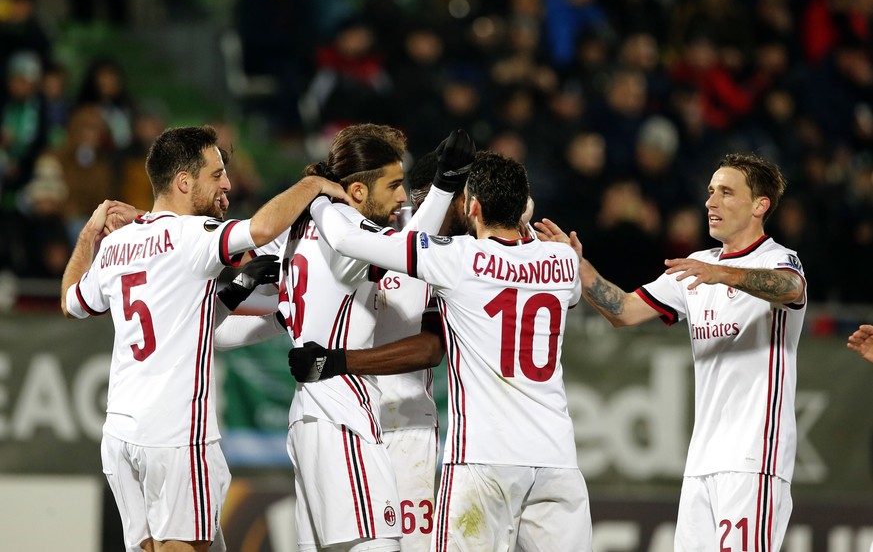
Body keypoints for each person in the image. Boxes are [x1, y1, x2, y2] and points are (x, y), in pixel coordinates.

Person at [60, 125, 347, 552]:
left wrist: (89, 236)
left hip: (122, 434)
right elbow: (265, 228)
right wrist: (313, 184)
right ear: (183, 182)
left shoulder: (119, 245)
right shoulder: (193, 237)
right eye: (216, 174)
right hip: (177, 435)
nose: (227, 183)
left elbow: (70, 300)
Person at [305, 150, 593, 551]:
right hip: (558, 460)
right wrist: (563, 254)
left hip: (484, 458)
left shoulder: (458, 259)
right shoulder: (562, 261)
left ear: (471, 206)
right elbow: (573, 294)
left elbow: (346, 240)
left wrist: (317, 196)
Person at [539, 152, 806, 551]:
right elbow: (624, 310)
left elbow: (790, 289)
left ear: (759, 205)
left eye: (726, 193)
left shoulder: (778, 259)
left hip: (755, 458)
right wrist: (580, 266)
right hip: (703, 461)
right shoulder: (697, 265)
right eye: (710, 192)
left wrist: (724, 273)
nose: (710, 202)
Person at [271, 124, 474, 552]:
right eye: (394, 186)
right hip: (342, 415)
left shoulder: (300, 230)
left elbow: (395, 249)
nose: (402, 198)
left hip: (310, 416)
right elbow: (402, 251)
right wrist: (443, 187)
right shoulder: (340, 222)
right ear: (358, 192)